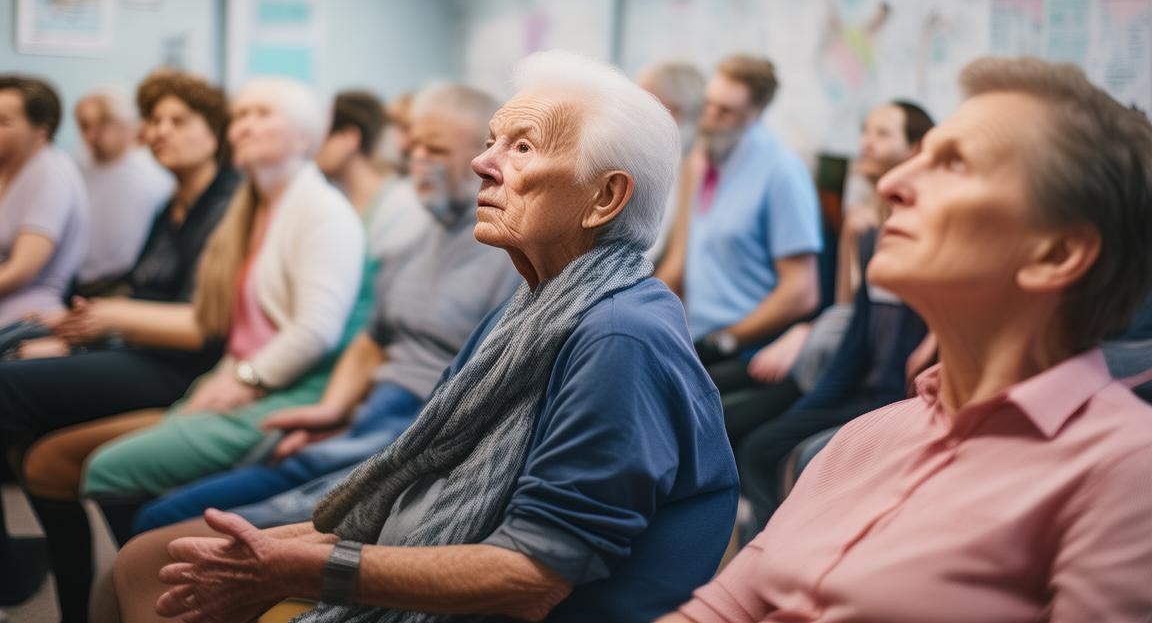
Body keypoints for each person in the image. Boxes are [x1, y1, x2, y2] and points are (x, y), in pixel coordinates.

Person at [116, 51, 738, 623]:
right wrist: (272, 557)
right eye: (492, 142)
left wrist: (299, 568)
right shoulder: (533, 304)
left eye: (522, 148)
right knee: (148, 561)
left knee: (157, 568)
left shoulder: (621, 337)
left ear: (604, 197)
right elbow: (425, 476)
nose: (481, 164)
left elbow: (532, 579)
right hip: (442, 539)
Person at [663, 58, 1152, 623]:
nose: (891, 184)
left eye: (955, 164)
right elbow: (724, 607)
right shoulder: (866, 437)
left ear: (1056, 254)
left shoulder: (1124, 471)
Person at [129, 83, 519, 535]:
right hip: (366, 413)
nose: (417, 160)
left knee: (165, 523)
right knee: (168, 510)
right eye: (413, 146)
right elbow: (372, 340)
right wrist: (334, 410)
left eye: (436, 150)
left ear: (486, 156)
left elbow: (482, 400)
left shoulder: (507, 257)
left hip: (415, 429)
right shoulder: (415, 237)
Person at [35, 78, 364, 545]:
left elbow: (316, 330)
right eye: (241, 115)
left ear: (304, 135)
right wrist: (225, 378)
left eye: (263, 114)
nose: (244, 126)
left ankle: (143, 567)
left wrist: (245, 379)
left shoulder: (322, 211)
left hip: (284, 391)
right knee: (82, 461)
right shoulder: (257, 206)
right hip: (241, 376)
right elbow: (243, 329)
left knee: (109, 469)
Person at [0, 70, 235, 616]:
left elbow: (207, 325)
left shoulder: (225, 205)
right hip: (138, 351)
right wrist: (77, 330)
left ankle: (40, 580)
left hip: (184, 367)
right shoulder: (173, 205)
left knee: (5, 387)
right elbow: (140, 291)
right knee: (34, 442)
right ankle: (69, 597)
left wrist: (107, 321)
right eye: (154, 120)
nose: (160, 130)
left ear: (213, 132)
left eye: (178, 120)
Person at [719, 101, 934, 453]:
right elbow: (847, 313)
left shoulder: (919, 236)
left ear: (916, 148)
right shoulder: (861, 224)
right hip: (831, 362)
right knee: (736, 424)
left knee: (757, 442)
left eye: (882, 134)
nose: (867, 143)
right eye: (865, 132)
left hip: (868, 385)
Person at [659, 56, 822, 368]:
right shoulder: (702, 161)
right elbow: (679, 262)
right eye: (708, 105)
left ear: (755, 113)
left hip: (745, 348)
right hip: (695, 339)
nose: (709, 118)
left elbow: (802, 291)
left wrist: (728, 339)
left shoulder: (782, 172)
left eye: (725, 112)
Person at [0, 75, 89, 327]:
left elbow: (22, 270)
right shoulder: (7, 167)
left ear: (41, 131)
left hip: (27, 313)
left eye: (3, 121)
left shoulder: (50, 173)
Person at [73, 86, 174, 295]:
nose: (91, 135)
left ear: (124, 124)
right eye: (84, 127)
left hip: (124, 284)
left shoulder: (153, 173)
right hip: (78, 280)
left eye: (101, 126)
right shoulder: (78, 167)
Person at [314, 90, 429, 265]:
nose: (314, 149)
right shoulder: (334, 200)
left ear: (350, 137)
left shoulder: (402, 205)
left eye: (322, 137)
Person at [637, 62, 706, 265]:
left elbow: (668, 257)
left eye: (644, 101)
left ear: (673, 110)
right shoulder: (657, 158)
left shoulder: (689, 165)